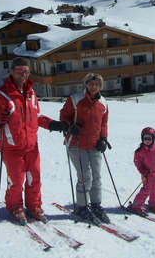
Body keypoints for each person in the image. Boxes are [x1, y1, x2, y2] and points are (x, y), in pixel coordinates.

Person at [0, 57, 69, 225]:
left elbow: (35, 117)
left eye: (26, 71)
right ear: (11, 72)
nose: (23, 74)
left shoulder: (31, 93)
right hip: (11, 147)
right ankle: (14, 206)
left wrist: (52, 124)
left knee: (34, 178)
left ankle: (34, 206)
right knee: (16, 180)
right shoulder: (0, 95)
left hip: (32, 146)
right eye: (19, 71)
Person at [60, 73, 110, 224]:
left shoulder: (103, 102)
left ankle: (96, 205)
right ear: (86, 84)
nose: (93, 87)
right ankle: (81, 207)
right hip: (76, 143)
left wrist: (103, 139)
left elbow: (103, 123)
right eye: (91, 84)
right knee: (84, 176)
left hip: (95, 144)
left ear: (100, 86)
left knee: (96, 176)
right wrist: (70, 127)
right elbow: (64, 116)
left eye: (97, 84)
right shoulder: (75, 99)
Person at [130, 127, 155, 215]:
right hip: (148, 175)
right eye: (145, 138)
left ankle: (154, 204)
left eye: (149, 138)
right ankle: (136, 205)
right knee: (146, 190)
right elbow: (138, 163)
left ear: (153, 138)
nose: (147, 140)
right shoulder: (140, 151)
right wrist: (144, 171)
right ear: (142, 139)